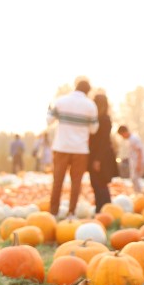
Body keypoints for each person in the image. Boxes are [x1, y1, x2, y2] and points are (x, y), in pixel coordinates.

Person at [47, 78, 99, 217]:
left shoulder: (61, 101)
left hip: (61, 146)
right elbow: (94, 129)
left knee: (57, 181)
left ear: (75, 87)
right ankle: (71, 212)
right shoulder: (90, 105)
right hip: (80, 149)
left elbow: (49, 120)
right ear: (88, 91)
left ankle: (53, 212)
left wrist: (49, 109)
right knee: (76, 182)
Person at [88, 92, 119, 211]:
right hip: (95, 155)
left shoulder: (105, 119)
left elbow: (104, 141)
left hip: (101, 156)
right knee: (96, 183)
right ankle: (100, 208)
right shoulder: (96, 119)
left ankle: (105, 208)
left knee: (100, 183)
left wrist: (97, 159)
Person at [118, 125, 144, 193]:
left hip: (139, 161)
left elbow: (139, 151)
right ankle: (137, 193)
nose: (122, 137)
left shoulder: (134, 139)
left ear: (124, 132)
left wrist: (139, 164)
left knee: (135, 179)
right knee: (134, 179)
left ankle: (139, 194)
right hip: (135, 162)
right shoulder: (130, 139)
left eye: (122, 135)